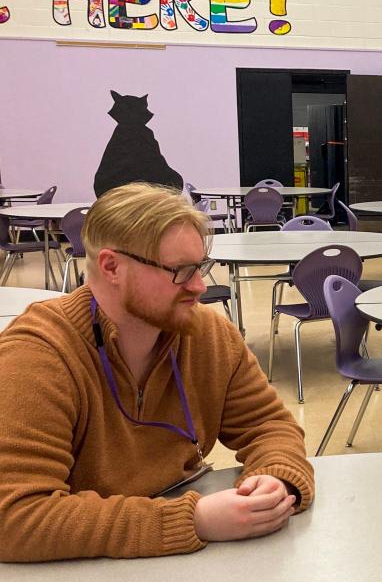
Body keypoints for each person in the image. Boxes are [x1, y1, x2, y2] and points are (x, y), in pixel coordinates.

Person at [0, 183, 314, 562]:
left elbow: (269, 426)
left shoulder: (207, 335)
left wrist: (276, 478)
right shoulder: (37, 355)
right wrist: (192, 520)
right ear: (111, 266)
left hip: (175, 568)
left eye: (200, 267)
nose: (199, 287)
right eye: (180, 271)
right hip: (75, 581)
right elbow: (14, 517)